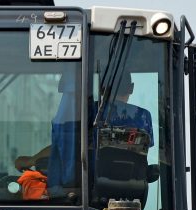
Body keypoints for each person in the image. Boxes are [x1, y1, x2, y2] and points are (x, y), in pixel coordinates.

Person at [14, 72, 153, 199]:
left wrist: (31, 160)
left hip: (85, 193)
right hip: (129, 197)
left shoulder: (87, 112)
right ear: (132, 88)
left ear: (101, 89)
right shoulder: (143, 117)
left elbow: (64, 146)